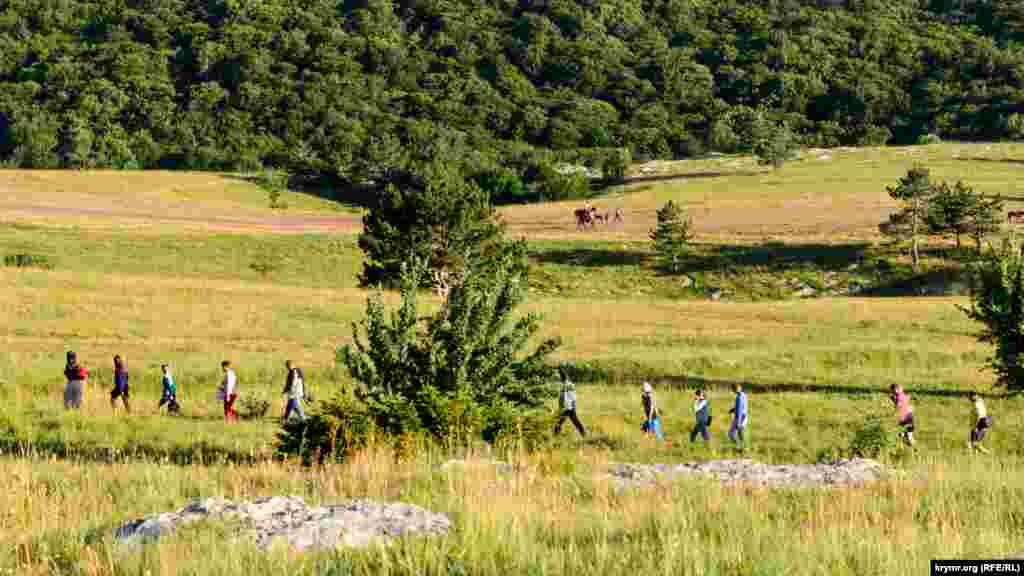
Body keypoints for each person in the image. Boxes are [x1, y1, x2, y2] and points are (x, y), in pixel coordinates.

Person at [554, 369, 586, 438]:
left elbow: (569, 397)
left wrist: (562, 407)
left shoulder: (567, 385)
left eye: (558, 377)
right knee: (576, 423)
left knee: (558, 423)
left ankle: (555, 437)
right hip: (568, 407)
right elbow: (569, 397)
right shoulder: (566, 384)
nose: (557, 378)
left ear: (561, 377)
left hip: (567, 408)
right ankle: (584, 435)